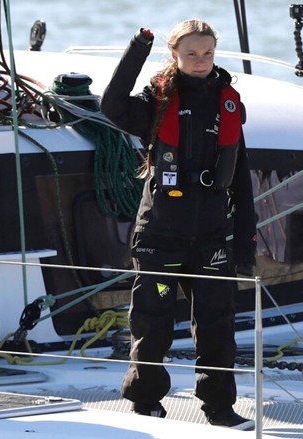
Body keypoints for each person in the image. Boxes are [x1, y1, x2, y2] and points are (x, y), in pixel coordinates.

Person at [100, 19, 257, 430]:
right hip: (161, 237)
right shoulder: (157, 101)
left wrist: (243, 245)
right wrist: (137, 48)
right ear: (175, 55)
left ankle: (219, 407)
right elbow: (112, 106)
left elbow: (241, 179)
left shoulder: (228, 103)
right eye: (191, 54)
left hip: (211, 239)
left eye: (207, 53)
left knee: (217, 327)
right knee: (153, 323)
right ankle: (146, 401)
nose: (200, 61)